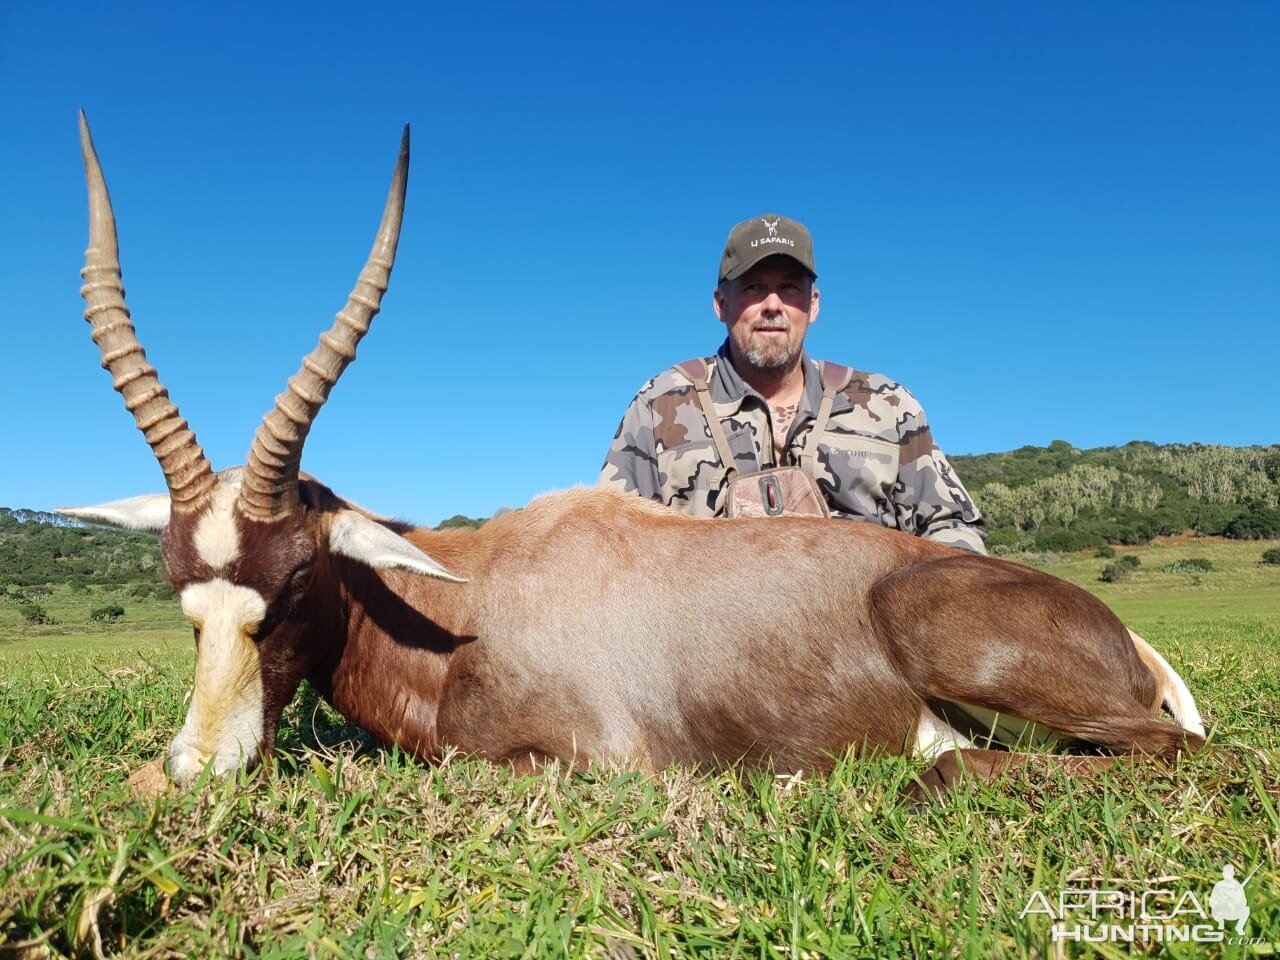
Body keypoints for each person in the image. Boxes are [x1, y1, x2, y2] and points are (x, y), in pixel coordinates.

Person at [600, 213, 987, 554]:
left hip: (862, 633)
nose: (773, 305)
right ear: (720, 303)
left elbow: (954, 529)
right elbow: (610, 544)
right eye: (753, 287)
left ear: (813, 304)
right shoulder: (658, 405)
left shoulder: (889, 406)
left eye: (789, 288)